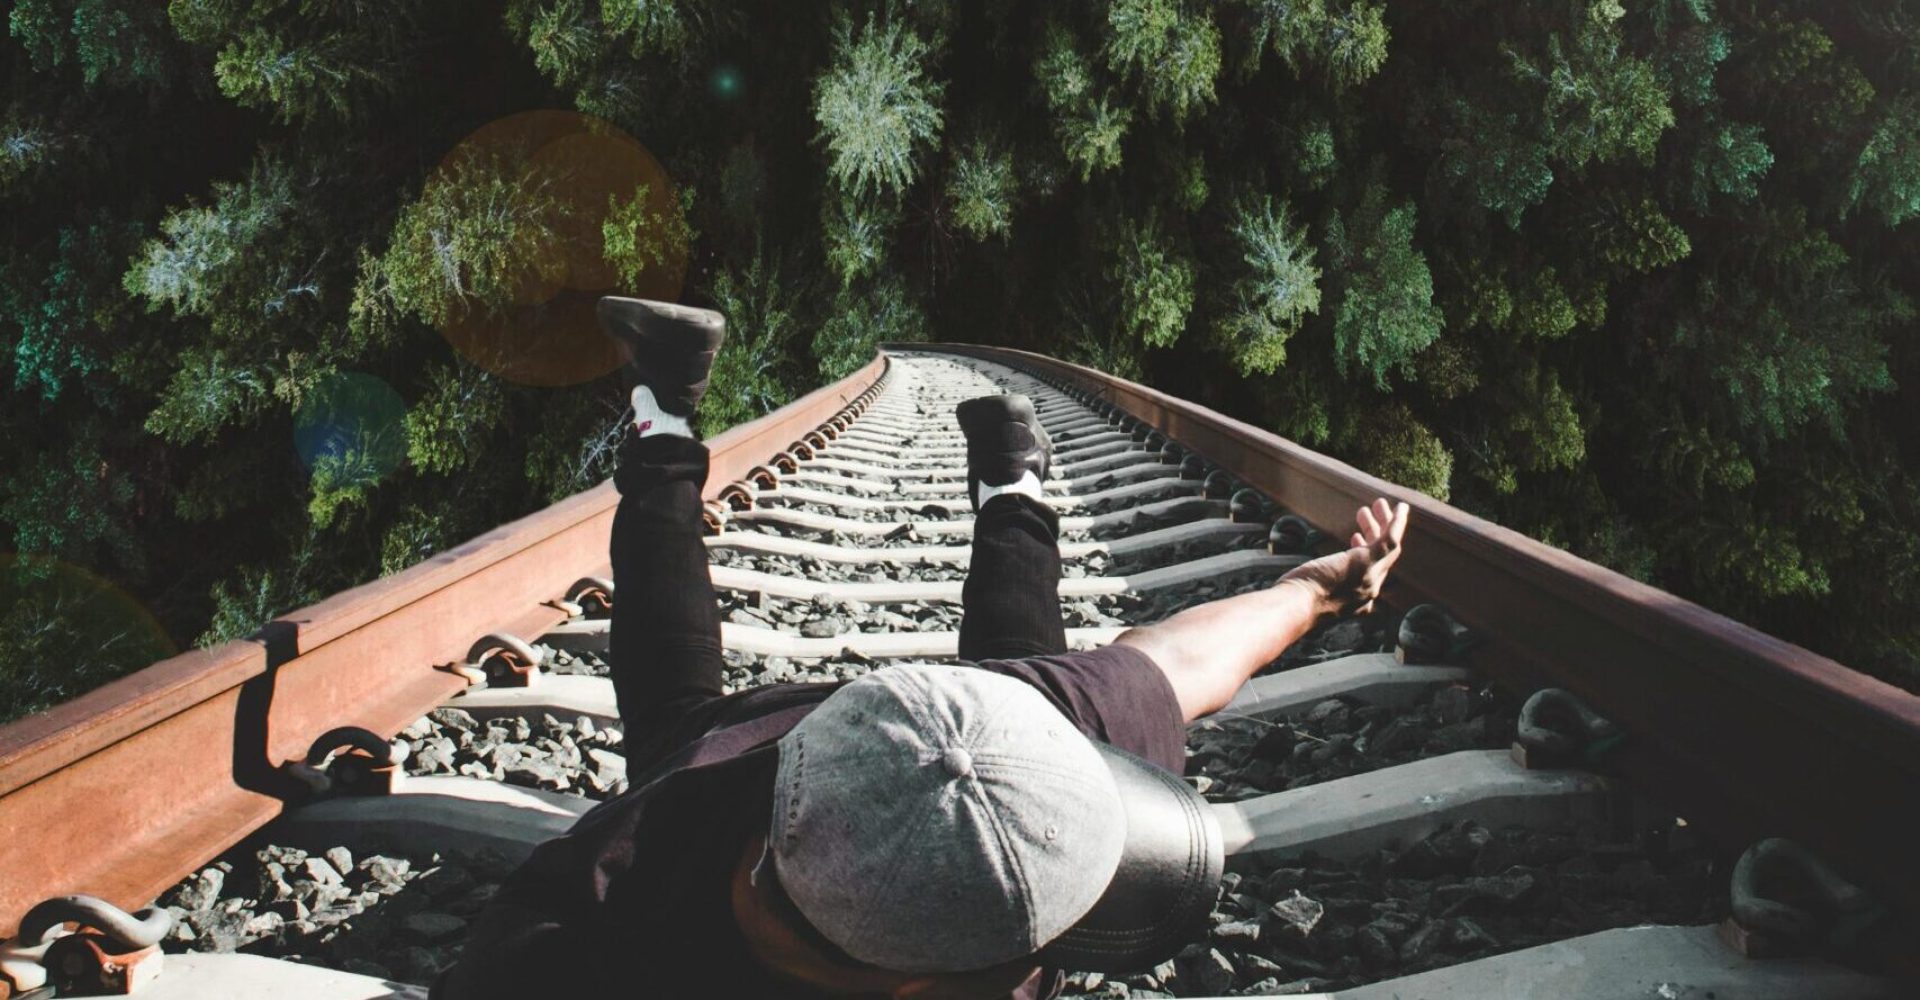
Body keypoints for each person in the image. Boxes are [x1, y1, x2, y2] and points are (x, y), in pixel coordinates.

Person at [434, 297, 1410, 1000]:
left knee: (1001, 677)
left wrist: (1315, 591)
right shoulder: (568, 951)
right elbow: (1173, 663)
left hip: (786, 752)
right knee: (692, 717)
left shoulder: (1001, 726)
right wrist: (1310, 594)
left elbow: (1177, 665)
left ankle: (675, 412)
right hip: (728, 761)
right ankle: (1004, 475)